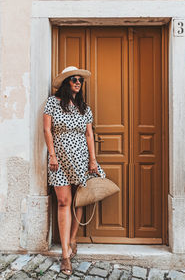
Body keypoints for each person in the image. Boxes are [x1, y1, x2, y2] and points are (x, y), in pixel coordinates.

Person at [43, 66, 106, 275]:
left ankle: (72, 239)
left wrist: (93, 161)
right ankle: (65, 256)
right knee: (63, 202)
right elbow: (47, 130)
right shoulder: (53, 103)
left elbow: (89, 135)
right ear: (65, 82)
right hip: (58, 161)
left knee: (80, 200)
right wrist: (52, 155)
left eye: (80, 80)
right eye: (74, 79)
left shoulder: (84, 108)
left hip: (81, 159)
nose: (78, 82)